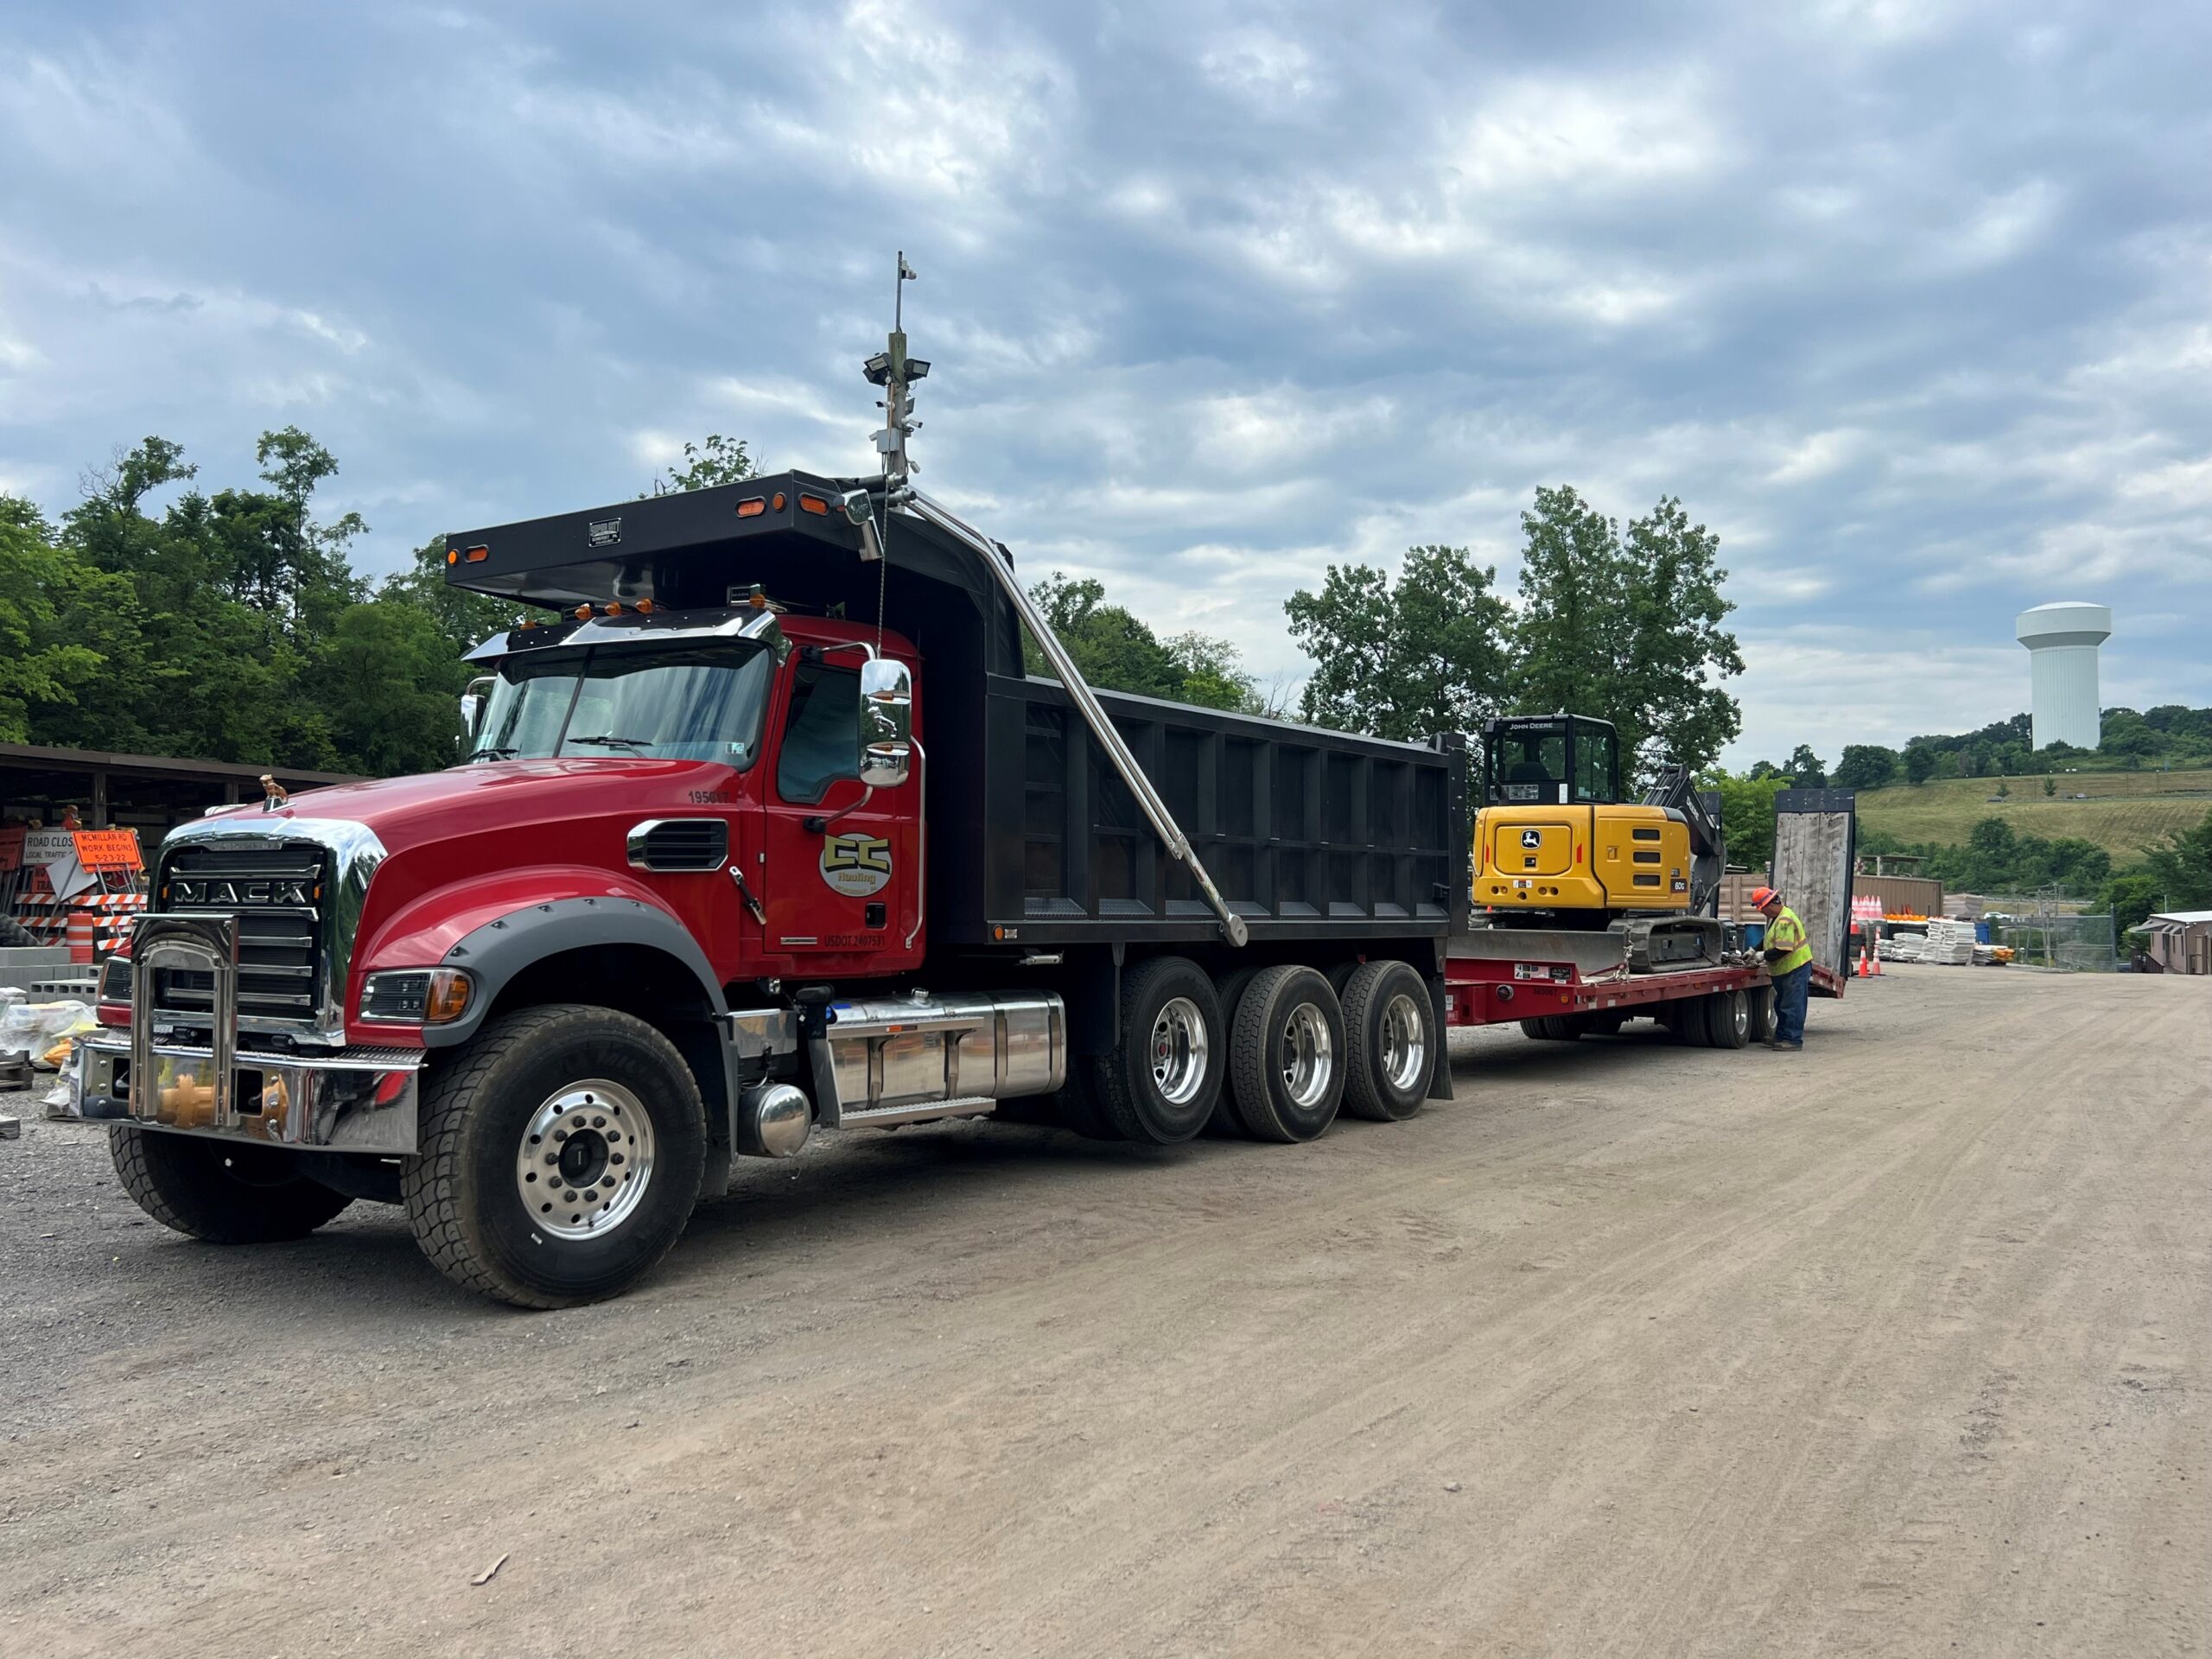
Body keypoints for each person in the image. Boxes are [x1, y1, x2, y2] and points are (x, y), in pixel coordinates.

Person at [1754, 886, 1812, 1051]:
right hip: (1786, 970)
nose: (1762, 913)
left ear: (1770, 905)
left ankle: (1793, 1040)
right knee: (1781, 1004)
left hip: (1794, 968)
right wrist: (1754, 950)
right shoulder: (1778, 918)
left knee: (1792, 1005)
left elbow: (1783, 949)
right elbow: (1769, 939)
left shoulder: (1785, 920)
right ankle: (1781, 1036)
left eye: (1762, 909)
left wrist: (1762, 956)